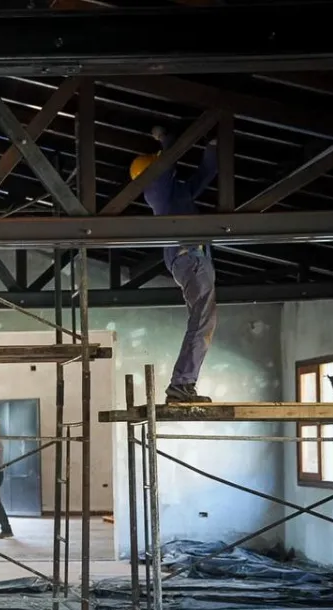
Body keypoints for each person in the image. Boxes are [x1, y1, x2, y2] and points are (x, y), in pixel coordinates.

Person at [130, 126, 219, 403]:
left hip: (193, 258)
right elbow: (165, 166)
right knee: (202, 322)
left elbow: (205, 175)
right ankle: (182, 384)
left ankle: (183, 383)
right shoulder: (155, 192)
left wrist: (213, 147)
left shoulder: (176, 194)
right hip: (189, 257)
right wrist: (167, 139)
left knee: (202, 322)